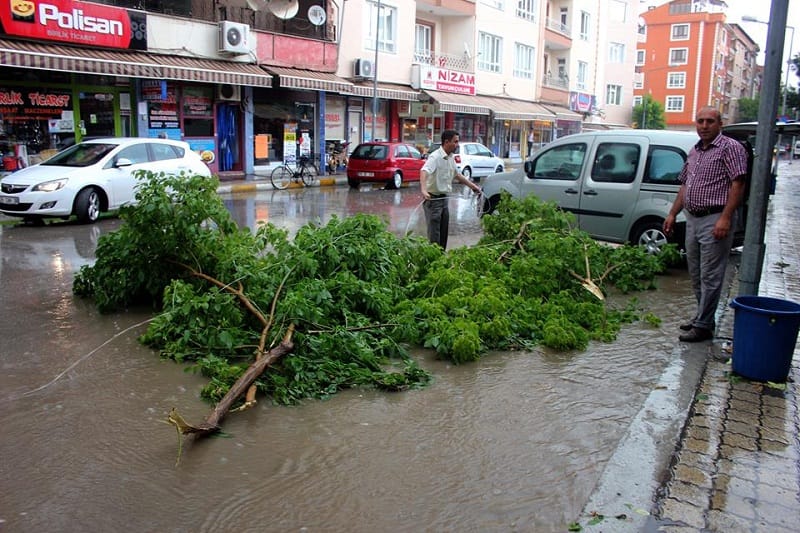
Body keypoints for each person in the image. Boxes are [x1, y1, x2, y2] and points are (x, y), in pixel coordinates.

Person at [663, 106, 748, 343]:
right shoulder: (695, 151)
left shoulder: (730, 148)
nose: (704, 125)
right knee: (696, 272)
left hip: (715, 218)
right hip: (693, 217)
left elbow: (738, 184)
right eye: (700, 121)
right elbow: (684, 186)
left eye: (709, 121)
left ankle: (702, 326)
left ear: (720, 123)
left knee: (711, 274)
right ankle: (704, 318)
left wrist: (725, 217)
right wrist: (672, 214)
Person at [420, 129, 482, 249]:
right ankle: (433, 261)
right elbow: (424, 171)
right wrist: (423, 190)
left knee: (443, 232)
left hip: (444, 200)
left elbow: (457, 175)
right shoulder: (435, 157)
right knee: (434, 235)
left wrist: (473, 187)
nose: (457, 145)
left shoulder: (450, 157)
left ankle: (442, 259)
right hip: (433, 200)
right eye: (455, 142)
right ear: (446, 142)